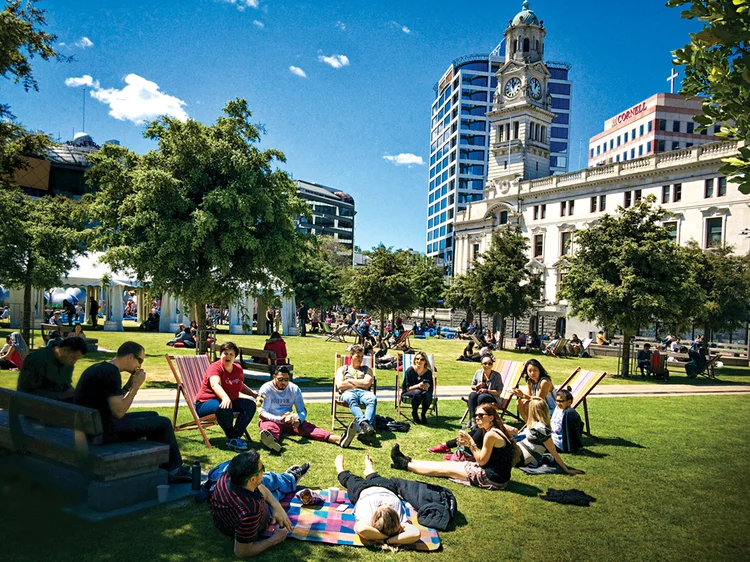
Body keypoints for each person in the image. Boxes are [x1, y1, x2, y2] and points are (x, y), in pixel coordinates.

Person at [74, 341, 192, 483]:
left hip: (94, 425)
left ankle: (162, 463)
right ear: (130, 356)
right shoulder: (111, 373)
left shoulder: (102, 368)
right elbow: (119, 412)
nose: (139, 366)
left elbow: (112, 402)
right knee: (164, 423)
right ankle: (174, 470)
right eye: (140, 360)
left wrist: (128, 385)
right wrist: (135, 388)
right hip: (103, 432)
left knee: (152, 415)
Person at [390, 404, 518, 491]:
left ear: (491, 418)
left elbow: (481, 460)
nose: (477, 418)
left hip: (492, 479)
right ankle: (410, 460)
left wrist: (470, 441)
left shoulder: (491, 434)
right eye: (476, 416)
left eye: (481, 416)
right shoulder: (495, 430)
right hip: (497, 475)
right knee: (447, 464)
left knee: (446, 469)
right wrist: (469, 443)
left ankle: (404, 464)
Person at [209, 450, 307, 557]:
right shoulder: (250, 511)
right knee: (276, 491)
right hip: (255, 521)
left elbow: (259, 487)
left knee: (269, 479)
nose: (263, 471)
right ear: (252, 479)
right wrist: (275, 539)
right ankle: (290, 479)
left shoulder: (231, 474)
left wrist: (277, 507)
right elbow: (241, 552)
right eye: (262, 469)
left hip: (225, 515)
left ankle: (290, 478)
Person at [257, 366, 357, 452]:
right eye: (280, 379)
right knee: (268, 428)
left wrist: (299, 420)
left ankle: (338, 439)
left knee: (308, 428)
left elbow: (302, 410)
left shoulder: (294, 389)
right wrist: (279, 419)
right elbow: (262, 412)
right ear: (274, 377)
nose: (283, 382)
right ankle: (273, 442)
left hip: (289, 420)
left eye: (286, 380)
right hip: (272, 419)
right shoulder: (266, 389)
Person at [335, 454, 421, 546]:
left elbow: (361, 529)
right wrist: (391, 537)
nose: (383, 504)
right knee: (374, 476)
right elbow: (416, 533)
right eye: (390, 507)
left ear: (375, 522)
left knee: (348, 479)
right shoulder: (400, 522)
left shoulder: (367, 520)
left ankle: (339, 468)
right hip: (387, 488)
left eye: (379, 509)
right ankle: (369, 469)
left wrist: (385, 538)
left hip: (361, 490)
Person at [195, 342, 259, 452]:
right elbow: (215, 384)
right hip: (206, 403)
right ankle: (232, 437)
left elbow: (240, 384)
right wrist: (225, 397)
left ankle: (235, 436)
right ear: (220, 354)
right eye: (225, 353)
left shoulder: (238, 369)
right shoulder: (215, 368)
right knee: (224, 406)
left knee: (250, 405)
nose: (228, 356)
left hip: (229, 402)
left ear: (235, 357)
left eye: (231, 354)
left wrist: (252, 394)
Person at [507, 397, 583, 475]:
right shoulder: (534, 423)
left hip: (520, 456)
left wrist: (566, 470)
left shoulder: (541, 428)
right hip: (518, 451)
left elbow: (553, 451)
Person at [17, 336, 87, 400]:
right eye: (73, 358)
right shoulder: (37, 360)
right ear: (64, 350)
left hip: (58, 405)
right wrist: (60, 395)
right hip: (33, 406)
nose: (74, 362)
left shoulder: (68, 364)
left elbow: (65, 385)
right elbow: (27, 392)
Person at [334, 345, 377, 444]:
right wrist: (359, 383)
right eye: (357, 356)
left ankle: (364, 429)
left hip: (364, 392)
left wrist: (349, 381)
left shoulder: (367, 369)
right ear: (351, 357)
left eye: (362, 356)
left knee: (372, 398)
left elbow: (367, 383)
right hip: (347, 393)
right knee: (351, 398)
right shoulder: (343, 369)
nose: (360, 359)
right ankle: (365, 425)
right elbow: (340, 385)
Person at [466, 356, 503, 428]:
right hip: (479, 395)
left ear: (492, 365)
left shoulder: (497, 375)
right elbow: (472, 386)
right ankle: (473, 419)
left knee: (482, 397)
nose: (487, 365)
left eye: (490, 363)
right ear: (481, 364)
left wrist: (487, 391)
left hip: (492, 397)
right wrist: (476, 387)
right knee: (472, 395)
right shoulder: (478, 373)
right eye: (485, 363)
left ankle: (479, 419)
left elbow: (498, 392)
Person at [401, 351, 434, 424]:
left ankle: (423, 414)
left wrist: (427, 386)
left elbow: (430, 386)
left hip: (423, 391)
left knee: (427, 394)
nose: (419, 361)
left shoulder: (428, 372)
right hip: (409, 392)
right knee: (418, 392)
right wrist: (419, 385)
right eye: (417, 359)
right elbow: (407, 388)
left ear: (425, 361)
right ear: (414, 360)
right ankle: (415, 413)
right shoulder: (410, 370)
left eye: (422, 359)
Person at [551, 388, 584, 453]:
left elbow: (575, 433)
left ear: (569, 402)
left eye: (561, 401)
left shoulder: (570, 414)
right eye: (557, 400)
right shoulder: (557, 409)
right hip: (552, 438)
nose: (558, 403)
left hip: (559, 444)